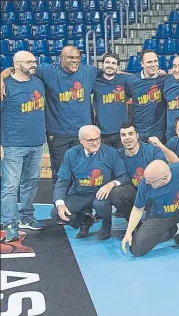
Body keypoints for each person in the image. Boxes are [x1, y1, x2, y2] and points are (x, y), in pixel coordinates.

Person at [2, 46, 100, 185]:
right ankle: (60, 204)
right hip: (58, 134)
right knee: (60, 174)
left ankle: (80, 205)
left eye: (78, 57)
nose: (75, 61)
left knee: (83, 173)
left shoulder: (89, 71)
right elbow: (20, 68)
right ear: (61, 59)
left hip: (82, 134)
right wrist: (2, 76)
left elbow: (113, 74)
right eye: (70, 58)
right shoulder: (47, 71)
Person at [51, 125, 132, 240]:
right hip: (80, 194)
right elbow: (62, 181)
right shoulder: (71, 154)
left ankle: (106, 226)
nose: (95, 143)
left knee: (100, 204)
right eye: (90, 140)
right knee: (56, 213)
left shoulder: (111, 153)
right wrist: (60, 204)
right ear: (81, 141)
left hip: (101, 193)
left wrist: (111, 184)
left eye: (97, 139)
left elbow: (124, 176)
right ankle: (85, 220)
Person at [121, 159, 179, 256]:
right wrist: (128, 233)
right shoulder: (145, 183)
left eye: (151, 181)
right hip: (161, 216)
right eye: (146, 179)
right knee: (136, 249)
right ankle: (175, 229)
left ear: (164, 178)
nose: (147, 182)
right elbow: (138, 208)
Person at [1, 51, 47, 241]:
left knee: (31, 182)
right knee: (10, 186)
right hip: (13, 144)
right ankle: (9, 222)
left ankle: (26, 216)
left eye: (34, 61)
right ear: (17, 64)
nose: (33, 64)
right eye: (29, 62)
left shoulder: (38, 81)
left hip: (36, 143)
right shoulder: (5, 87)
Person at [113, 122, 179, 220]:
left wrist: (161, 146)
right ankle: (135, 225)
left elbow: (175, 164)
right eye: (123, 135)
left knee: (151, 231)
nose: (127, 138)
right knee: (115, 193)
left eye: (130, 134)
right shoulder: (118, 154)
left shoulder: (150, 150)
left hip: (153, 193)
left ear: (137, 135)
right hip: (134, 192)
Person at [125, 50, 168, 142]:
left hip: (159, 131)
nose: (153, 64)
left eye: (155, 61)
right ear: (142, 64)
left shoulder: (165, 79)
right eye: (149, 62)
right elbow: (127, 96)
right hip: (138, 131)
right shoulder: (131, 81)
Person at [92, 53, 129, 148]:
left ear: (117, 66)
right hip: (102, 132)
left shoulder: (125, 80)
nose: (110, 65)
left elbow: (141, 78)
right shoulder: (95, 81)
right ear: (102, 64)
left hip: (122, 131)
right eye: (107, 62)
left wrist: (158, 73)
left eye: (113, 63)